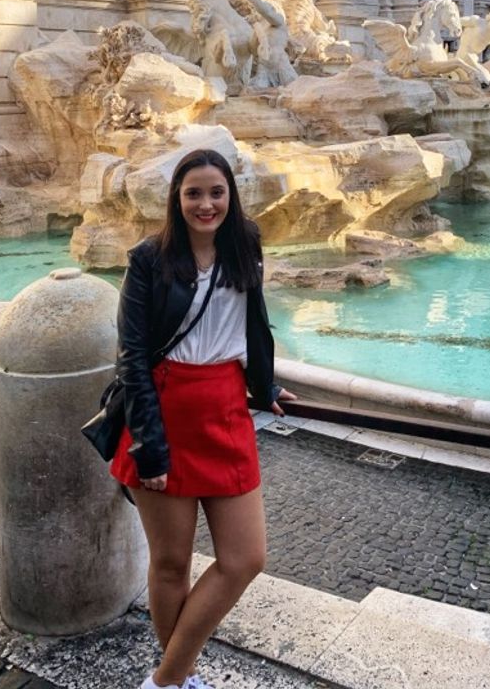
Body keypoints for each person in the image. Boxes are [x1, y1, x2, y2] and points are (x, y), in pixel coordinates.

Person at [110, 148, 295, 689]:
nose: (206, 203)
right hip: (161, 412)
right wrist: (149, 446)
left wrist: (265, 387)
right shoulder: (150, 258)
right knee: (171, 564)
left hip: (225, 409)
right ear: (177, 199)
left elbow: (254, 324)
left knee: (245, 557)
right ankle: (178, 680)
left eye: (216, 192)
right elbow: (132, 358)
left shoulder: (246, 246)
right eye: (194, 193)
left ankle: (164, 681)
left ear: (231, 196)